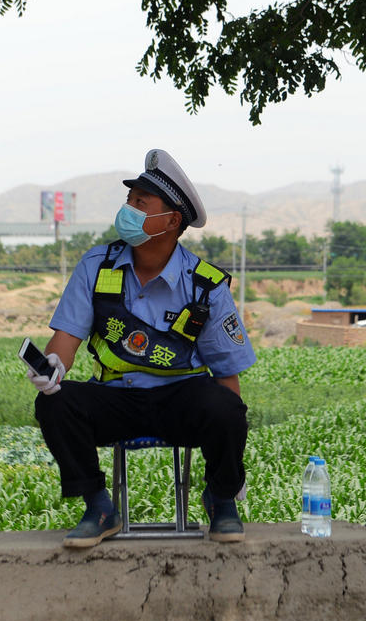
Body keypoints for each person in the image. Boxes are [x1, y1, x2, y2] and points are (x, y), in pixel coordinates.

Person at [29, 149, 255, 546]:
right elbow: (65, 339)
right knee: (56, 402)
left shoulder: (204, 284)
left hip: (181, 400)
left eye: (140, 203)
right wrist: (52, 366)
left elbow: (227, 375)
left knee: (226, 406)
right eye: (129, 201)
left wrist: (231, 466)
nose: (128, 210)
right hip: (115, 396)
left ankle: (220, 501)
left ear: (170, 221)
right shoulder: (96, 267)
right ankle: (100, 508)